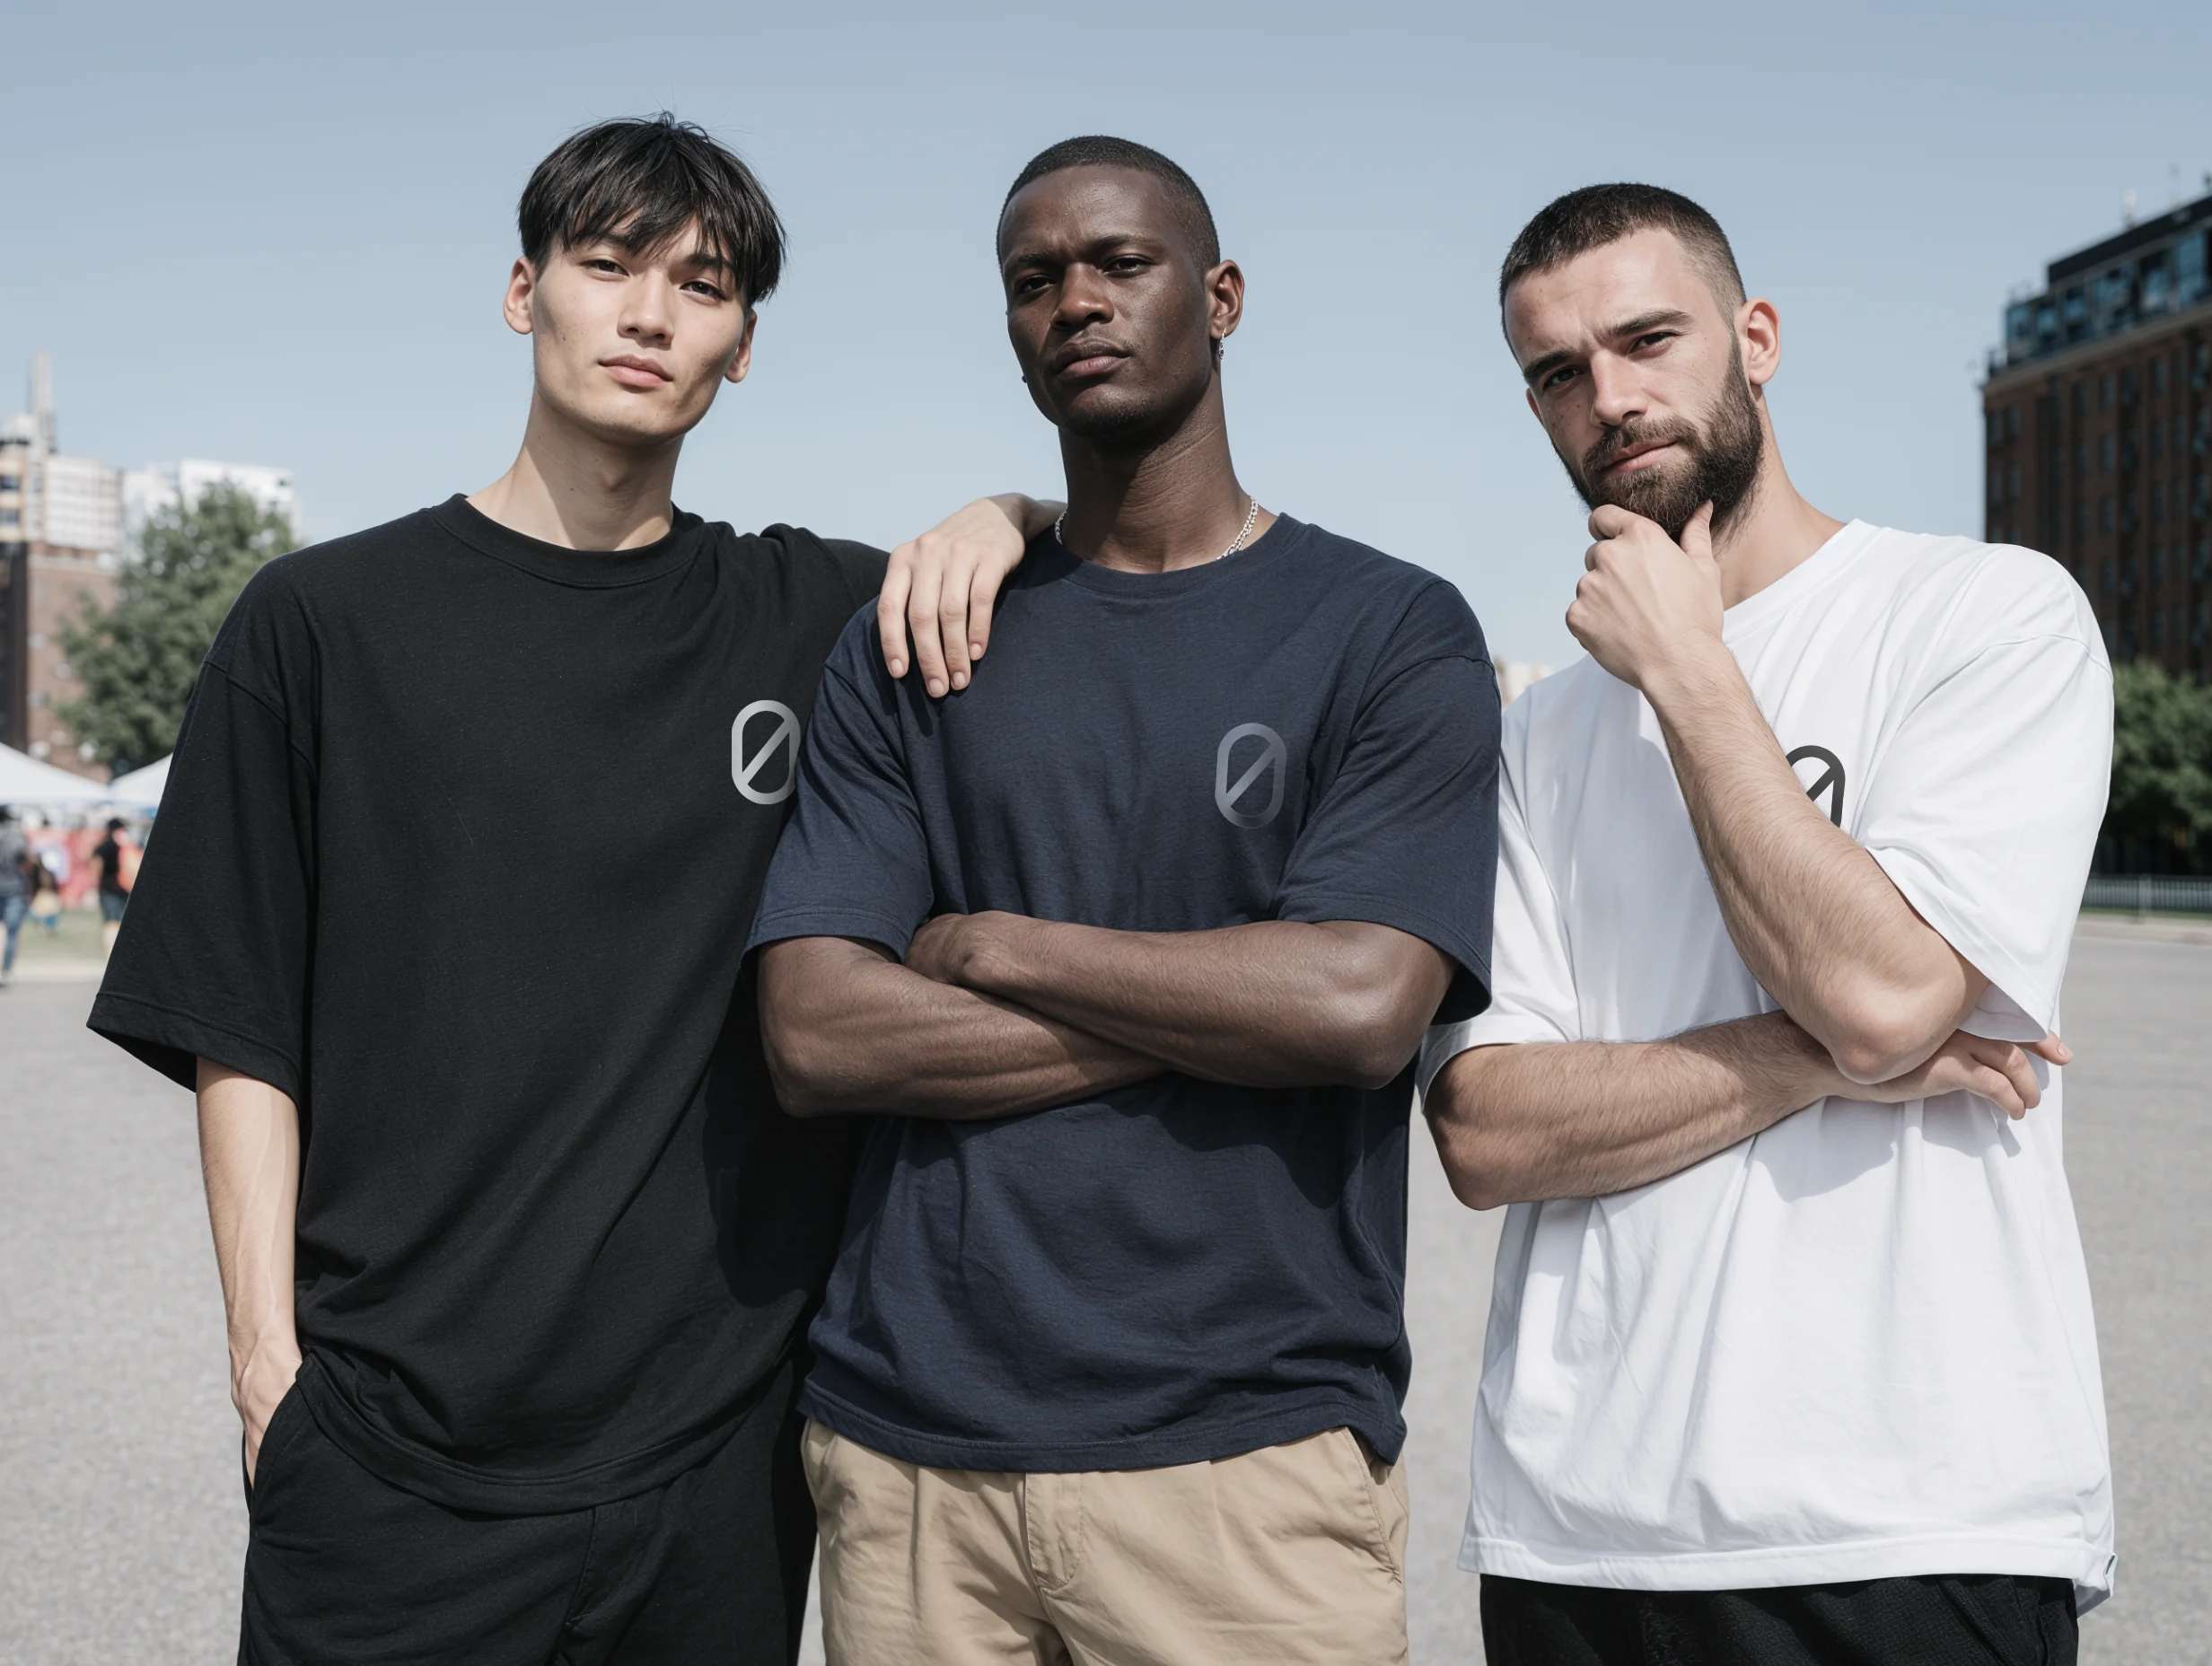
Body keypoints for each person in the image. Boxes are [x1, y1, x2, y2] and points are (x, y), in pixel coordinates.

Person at [90, 114, 1054, 1666]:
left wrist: (1005, 513)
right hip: (390, 1451)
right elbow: (238, 1022)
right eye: (606, 264)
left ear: (742, 348)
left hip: (713, 1464)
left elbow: (1116, 563)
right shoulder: (322, 626)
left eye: (703, 283)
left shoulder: (807, 616)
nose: (649, 311)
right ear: (522, 289)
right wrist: (268, 1366)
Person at [750, 136, 1501, 1666]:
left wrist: (994, 947)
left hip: (1247, 1466)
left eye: (1120, 264)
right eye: (1035, 281)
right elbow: (816, 1034)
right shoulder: (917, 636)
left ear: (1218, 296)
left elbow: (1359, 1009)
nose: (1075, 300)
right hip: (913, 1466)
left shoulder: (1384, 629)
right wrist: (1236, 1006)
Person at [1419, 184, 2114, 1665]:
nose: (1607, 399)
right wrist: (1816, 1063)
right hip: (1579, 1536)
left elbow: (1874, 993)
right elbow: (1484, 1133)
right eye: (1554, 371)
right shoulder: (1537, 736)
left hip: (1917, 1524)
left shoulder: (1981, 615)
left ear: (1753, 338)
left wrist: (1686, 671)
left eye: (1645, 339)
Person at [90, 815, 134, 953]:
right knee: (115, 923)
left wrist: (95, 887)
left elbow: (96, 867)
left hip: (110, 889)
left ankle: (111, 952)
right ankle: (113, 952)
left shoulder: (105, 846)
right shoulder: (125, 846)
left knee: (112, 922)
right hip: (121, 889)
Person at [0, 806, 30, 986]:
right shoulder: (16, 837)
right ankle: (6, 969)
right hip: (14, 887)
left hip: (11, 887)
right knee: (11, 932)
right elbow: (25, 861)